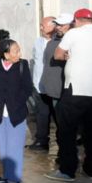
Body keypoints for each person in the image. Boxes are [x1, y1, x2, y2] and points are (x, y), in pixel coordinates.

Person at [45, 9, 92, 182]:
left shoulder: (74, 33)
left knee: (67, 131)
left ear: (77, 20)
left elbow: (58, 54)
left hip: (76, 89)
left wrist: (70, 56)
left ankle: (67, 170)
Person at [0, 39, 33, 183]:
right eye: (15, 51)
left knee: (15, 147)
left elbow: (27, 88)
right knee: (3, 147)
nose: (19, 54)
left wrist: (17, 102)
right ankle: (6, 174)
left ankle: (14, 179)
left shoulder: (22, 65)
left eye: (19, 50)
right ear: (5, 54)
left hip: (16, 113)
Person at [26, 16, 58, 151]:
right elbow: (35, 62)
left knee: (58, 116)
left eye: (43, 25)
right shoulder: (38, 42)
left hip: (55, 86)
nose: (40, 28)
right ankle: (41, 141)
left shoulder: (60, 42)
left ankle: (63, 144)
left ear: (53, 26)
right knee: (41, 114)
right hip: (39, 85)